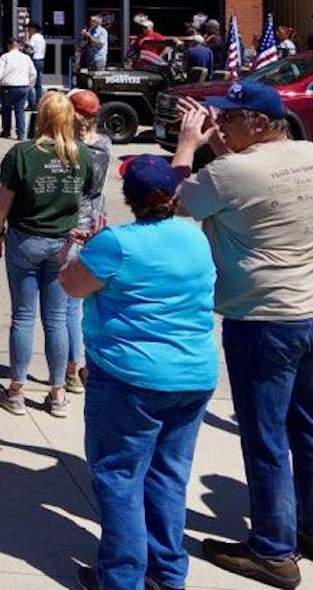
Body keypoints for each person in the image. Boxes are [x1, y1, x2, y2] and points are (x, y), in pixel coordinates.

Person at [174, 81, 313, 587]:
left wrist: (189, 148)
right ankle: (307, 527)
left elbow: (175, 205)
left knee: (266, 436)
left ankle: (274, 550)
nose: (222, 126)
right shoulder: (306, 154)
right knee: (307, 427)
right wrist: (219, 147)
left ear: (257, 123)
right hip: (309, 310)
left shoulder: (229, 171)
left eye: (230, 118)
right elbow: (246, 180)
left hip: (262, 319)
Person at [58, 155, 218, 590]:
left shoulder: (116, 243)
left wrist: (76, 249)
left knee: (120, 476)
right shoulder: (193, 237)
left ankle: (122, 578)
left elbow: (71, 284)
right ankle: (166, 571)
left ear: (129, 198)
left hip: (131, 378)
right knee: (168, 473)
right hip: (193, 374)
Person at [0, 92, 93, 418]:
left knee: (23, 317)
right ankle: (58, 392)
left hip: (25, 241)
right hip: (63, 244)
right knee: (57, 319)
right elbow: (85, 196)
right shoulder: (82, 156)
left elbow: (1, 204)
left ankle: (17, 391)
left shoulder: (22, 153)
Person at [65, 89, 111, 395]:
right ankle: (87, 365)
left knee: (70, 304)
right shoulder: (104, 144)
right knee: (92, 300)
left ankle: (71, 368)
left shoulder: (69, 147)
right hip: (97, 222)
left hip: (73, 224)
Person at [0, 38, 38, 140]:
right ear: (17, 46)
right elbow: (33, 73)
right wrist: (30, 85)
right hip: (23, 87)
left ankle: (6, 130)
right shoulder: (26, 58)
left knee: (6, 109)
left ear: (9, 46)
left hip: (8, 87)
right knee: (20, 110)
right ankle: (20, 132)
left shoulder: (5, 57)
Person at [25, 21, 47, 110]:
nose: (28, 30)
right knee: (38, 83)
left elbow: (29, 48)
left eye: (29, 29)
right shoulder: (41, 37)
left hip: (35, 60)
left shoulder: (34, 37)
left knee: (32, 83)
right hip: (41, 60)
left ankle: (32, 104)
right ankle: (39, 102)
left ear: (33, 29)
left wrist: (27, 38)